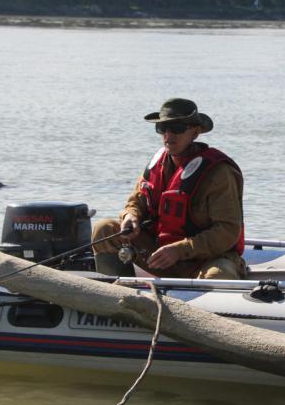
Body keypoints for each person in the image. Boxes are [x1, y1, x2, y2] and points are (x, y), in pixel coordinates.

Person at [92, 98, 245, 280]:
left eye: (177, 128)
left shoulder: (219, 173)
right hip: (159, 254)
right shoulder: (157, 166)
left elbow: (227, 232)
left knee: (218, 276)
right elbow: (135, 202)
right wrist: (130, 216)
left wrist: (180, 250)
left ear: (195, 133)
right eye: (162, 128)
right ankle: (114, 296)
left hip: (205, 259)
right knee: (104, 229)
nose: (168, 135)